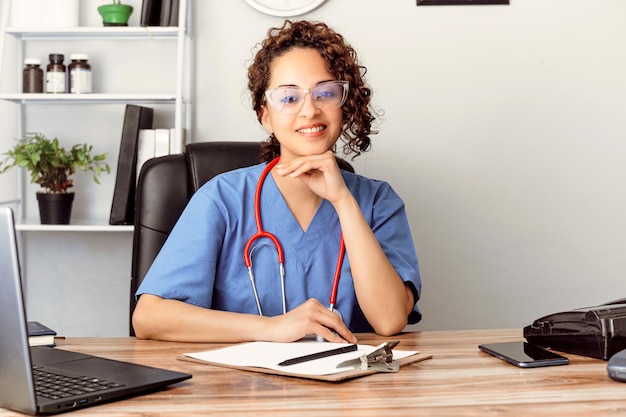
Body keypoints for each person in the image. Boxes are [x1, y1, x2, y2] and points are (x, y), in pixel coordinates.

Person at [132, 20, 421, 343]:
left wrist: (343, 202)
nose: (310, 110)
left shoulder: (378, 201)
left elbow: (390, 320)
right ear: (265, 115)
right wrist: (274, 328)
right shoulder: (221, 199)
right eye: (288, 97)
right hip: (241, 389)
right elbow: (149, 317)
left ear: (345, 106)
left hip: (348, 388)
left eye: (326, 93)